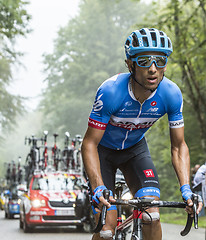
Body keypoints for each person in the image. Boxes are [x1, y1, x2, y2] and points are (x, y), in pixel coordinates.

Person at [81, 28, 203, 240]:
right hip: (102, 153)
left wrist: (186, 189)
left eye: (160, 60)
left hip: (135, 151)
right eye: (145, 61)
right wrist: (98, 187)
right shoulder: (110, 91)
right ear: (130, 64)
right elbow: (89, 144)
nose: (153, 69)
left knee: (152, 215)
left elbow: (178, 146)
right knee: (107, 230)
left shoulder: (171, 93)